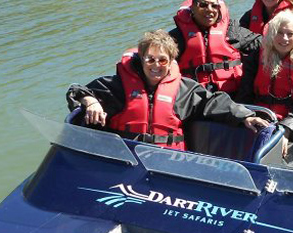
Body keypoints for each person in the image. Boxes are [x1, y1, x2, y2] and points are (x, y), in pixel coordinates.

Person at [66, 30, 269, 150]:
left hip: (169, 164)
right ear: (141, 59)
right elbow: (78, 91)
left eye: (162, 60)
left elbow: (215, 102)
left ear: (171, 61)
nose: (156, 65)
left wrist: (246, 117)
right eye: (150, 59)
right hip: (125, 161)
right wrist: (90, 101)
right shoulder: (117, 86)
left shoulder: (185, 89)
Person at [237, 11, 293, 164]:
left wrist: (286, 131)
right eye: (279, 33)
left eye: (290, 34)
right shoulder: (257, 56)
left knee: (277, 154)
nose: (284, 38)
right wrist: (246, 116)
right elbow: (245, 91)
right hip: (259, 116)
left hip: (292, 122)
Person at [169, 0, 259, 96]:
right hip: (193, 99)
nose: (210, 9)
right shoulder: (177, 37)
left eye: (214, 6)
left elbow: (264, 44)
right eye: (203, 5)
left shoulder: (232, 31)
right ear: (192, 8)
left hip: (232, 97)